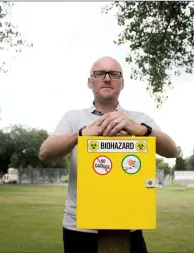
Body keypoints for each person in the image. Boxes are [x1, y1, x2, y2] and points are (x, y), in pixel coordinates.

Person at [39, 56, 177, 253]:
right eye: (99, 73)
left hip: (127, 224)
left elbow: (171, 151)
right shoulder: (74, 118)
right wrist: (80, 135)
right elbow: (45, 153)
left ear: (122, 83)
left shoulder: (139, 119)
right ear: (89, 82)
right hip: (80, 228)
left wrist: (140, 130)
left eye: (114, 74)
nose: (106, 78)